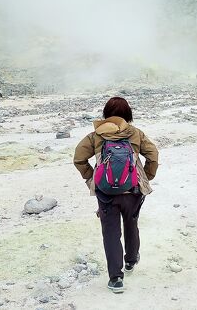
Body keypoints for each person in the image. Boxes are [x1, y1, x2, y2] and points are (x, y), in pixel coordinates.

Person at [73, 97, 158, 294]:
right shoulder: (136, 133)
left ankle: (116, 278)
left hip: (106, 193)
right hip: (133, 191)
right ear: (128, 114)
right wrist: (146, 177)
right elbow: (153, 155)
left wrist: (92, 178)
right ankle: (130, 261)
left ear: (105, 113)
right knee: (131, 224)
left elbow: (79, 158)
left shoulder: (95, 135)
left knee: (110, 232)